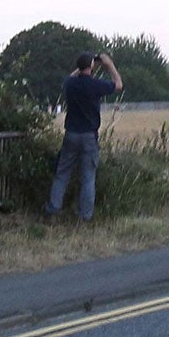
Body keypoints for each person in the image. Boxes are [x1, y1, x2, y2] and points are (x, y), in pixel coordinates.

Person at [45, 50, 121, 220]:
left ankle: (53, 209)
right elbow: (118, 84)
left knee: (62, 174)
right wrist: (109, 65)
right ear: (92, 66)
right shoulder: (95, 85)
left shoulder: (71, 84)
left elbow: (70, 77)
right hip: (88, 136)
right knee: (88, 178)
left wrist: (83, 66)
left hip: (71, 134)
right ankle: (85, 215)